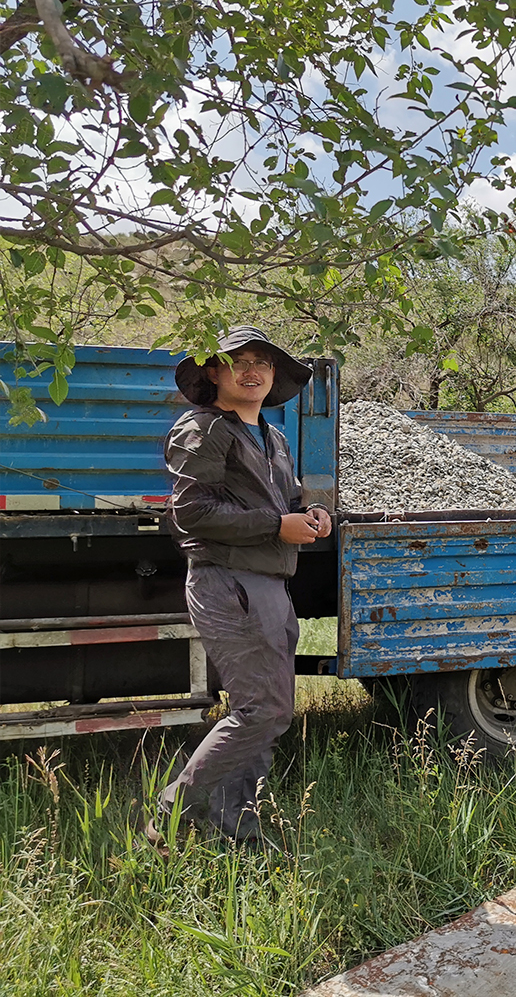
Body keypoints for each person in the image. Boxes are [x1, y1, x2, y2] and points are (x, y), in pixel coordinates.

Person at [147, 326, 332, 850]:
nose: (252, 371)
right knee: (264, 710)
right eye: (238, 361)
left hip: (267, 583)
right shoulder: (204, 428)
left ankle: (236, 830)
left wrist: (309, 516)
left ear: (274, 377)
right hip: (228, 581)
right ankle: (172, 813)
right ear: (213, 372)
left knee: (265, 715)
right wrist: (278, 527)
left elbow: (286, 504)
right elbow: (193, 511)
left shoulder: (271, 437)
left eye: (263, 363)